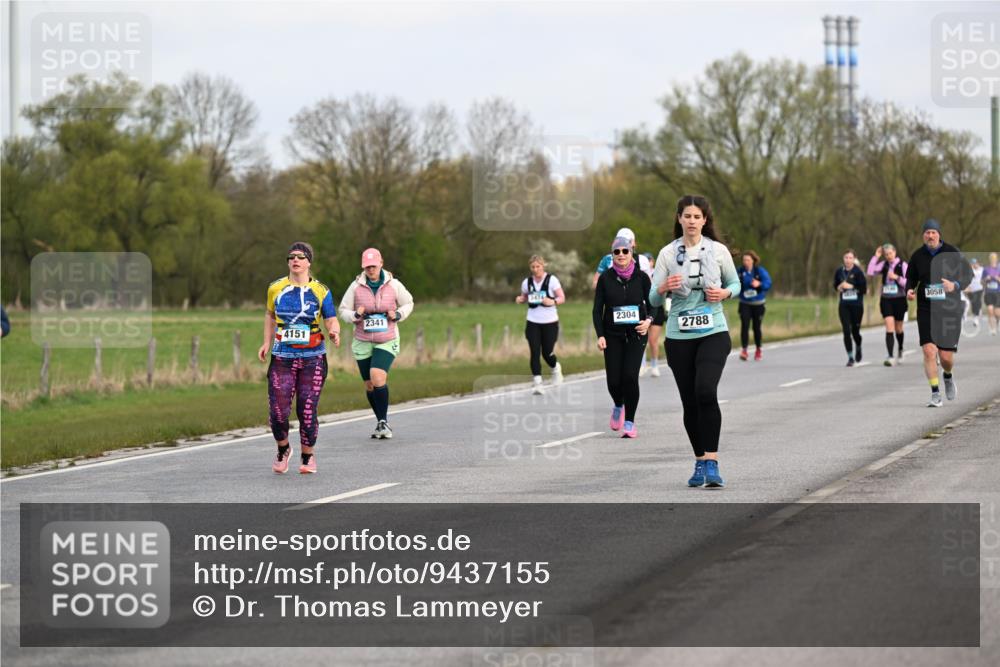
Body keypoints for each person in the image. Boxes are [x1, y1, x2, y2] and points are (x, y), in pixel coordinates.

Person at [650, 195, 740, 488]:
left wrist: (725, 293)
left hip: (713, 330)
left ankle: (712, 462)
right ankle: (700, 460)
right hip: (679, 336)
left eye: (697, 216)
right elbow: (652, 298)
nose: (691, 221)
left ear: (705, 220)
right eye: (686, 216)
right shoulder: (667, 254)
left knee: (705, 391)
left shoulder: (718, 251)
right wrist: (663, 287)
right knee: (689, 401)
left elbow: (735, 283)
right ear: (679, 219)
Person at [258, 242, 340, 475]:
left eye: (301, 256)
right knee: (278, 411)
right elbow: (270, 315)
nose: (295, 260)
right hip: (282, 357)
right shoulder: (275, 288)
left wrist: (334, 331)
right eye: (291, 256)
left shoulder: (321, 290)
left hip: (313, 357)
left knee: (307, 409)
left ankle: (308, 456)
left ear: (309, 262)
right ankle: (283, 449)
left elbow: (330, 318)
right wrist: (266, 342)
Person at [339, 248, 415, 438]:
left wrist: (398, 314)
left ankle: (383, 423)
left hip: (387, 339)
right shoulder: (355, 286)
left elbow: (409, 302)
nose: (371, 270)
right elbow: (343, 310)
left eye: (373, 266)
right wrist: (355, 315)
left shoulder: (394, 284)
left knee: (377, 376)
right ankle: (381, 422)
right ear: (363, 267)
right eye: (367, 267)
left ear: (381, 263)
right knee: (369, 385)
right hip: (362, 341)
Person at [905, 219, 973, 407]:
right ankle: (935, 393)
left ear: (939, 234)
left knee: (945, 357)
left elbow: (968, 275)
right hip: (926, 308)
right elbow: (910, 278)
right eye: (927, 232)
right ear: (923, 236)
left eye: (933, 232)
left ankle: (948, 375)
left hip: (949, 309)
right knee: (929, 351)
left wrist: (955, 285)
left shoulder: (952, 252)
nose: (930, 235)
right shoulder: (917, 256)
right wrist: (909, 290)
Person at [593, 237, 653, 438]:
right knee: (613, 381)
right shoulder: (605, 279)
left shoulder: (642, 277)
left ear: (631, 253)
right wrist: (600, 335)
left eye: (625, 251)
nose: (621, 255)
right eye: (616, 251)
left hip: (637, 333)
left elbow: (653, 304)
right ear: (612, 255)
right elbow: (597, 310)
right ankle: (619, 404)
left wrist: (649, 321)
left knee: (629, 376)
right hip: (612, 334)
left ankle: (630, 422)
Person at [515, 255, 566, 395]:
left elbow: (562, 297)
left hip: (550, 322)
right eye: (533, 267)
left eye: (538, 266)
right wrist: (520, 299)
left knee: (547, 353)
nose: (535, 269)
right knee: (535, 352)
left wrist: (553, 301)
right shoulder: (527, 282)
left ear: (543, 266)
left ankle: (555, 368)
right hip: (533, 321)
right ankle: (538, 383)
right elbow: (525, 296)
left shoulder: (552, 280)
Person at [866, 243, 909, 366]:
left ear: (895, 252)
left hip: (899, 299)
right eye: (886, 254)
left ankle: (900, 349)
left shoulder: (903, 265)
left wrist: (896, 277)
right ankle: (890, 356)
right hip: (886, 299)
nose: (889, 256)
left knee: (898, 328)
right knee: (889, 326)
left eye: (890, 253)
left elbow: (908, 283)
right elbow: (870, 272)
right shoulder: (883, 264)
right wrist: (876, 256)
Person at [736, 250, 771, 361]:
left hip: (758, 304)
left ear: (753, 261)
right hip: (744, 303)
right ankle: (744, 350)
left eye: (748, 260)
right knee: (744, 326)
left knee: (756, 327)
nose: (745, 262)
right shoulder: (739, 271)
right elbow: (732, 282)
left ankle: (758, 349)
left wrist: (759, 284)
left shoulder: (760, 271)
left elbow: (768, 283)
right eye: (744, 260)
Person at [835, 249, 867, 367]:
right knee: (846, 331)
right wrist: (839, 287)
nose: (848, 260)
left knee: (855, 332)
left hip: (857, 306)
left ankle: (858, 346)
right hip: (844, 305)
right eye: (846, 257)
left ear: (854, 259)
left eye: (850, 258)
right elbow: (835, 285)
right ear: (843, 259)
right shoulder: (839, 271)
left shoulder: (858, 272)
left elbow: (864, 289)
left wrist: (851, 286)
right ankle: (850, 357)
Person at [642, 252, 667, 377]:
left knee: (653, 340)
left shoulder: (657, 274)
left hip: (656, 308)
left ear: (653, 262)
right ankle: (642, 365)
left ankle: (654, 365)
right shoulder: (640, 274)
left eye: (649, 260)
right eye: (645, 260)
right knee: (642, 340)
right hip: (643, 308)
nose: (647, 262)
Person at [963, 257, 984, 330]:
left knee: (977, 301)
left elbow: (985, 276)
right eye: (972, 263)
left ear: (978, 263)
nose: (974, 265)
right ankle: (977, 312)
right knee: (973, 303)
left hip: (979, 288)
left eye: (975, 263)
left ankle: (976, 318)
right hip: (970, 289)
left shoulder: (982, 269)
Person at [984, 252, 1000, 336]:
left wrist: (998, 279)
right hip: (988, 292)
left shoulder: (999, 269)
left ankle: (997, 323)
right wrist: (986, 279)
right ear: (990, 259)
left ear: (996, 259)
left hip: (997, 293)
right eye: (992, 258)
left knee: (997, 313)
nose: (993, 260)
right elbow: (981, 282)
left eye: (994, 258)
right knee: (990, 310)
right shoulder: (986, 269)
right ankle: (992, 329)